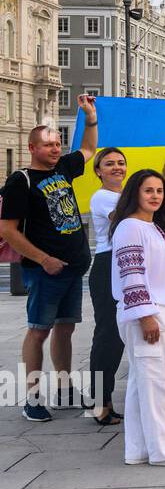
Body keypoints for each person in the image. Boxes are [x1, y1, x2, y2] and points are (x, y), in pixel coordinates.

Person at [0, 96, 98, 422]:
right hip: (45, 270)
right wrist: (43, 259)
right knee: (38, 331)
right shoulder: (20, 181)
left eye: (57, 144)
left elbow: (87, 151)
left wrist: (91, 118)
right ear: (32, 148)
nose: (55, 149)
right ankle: (32, 397)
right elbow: (9, 230)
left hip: (72, 267)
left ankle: (65, 387)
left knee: (65, 329)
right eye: (48, 145)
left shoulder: (64, 169)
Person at [109, 170, 165, 467]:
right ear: (135, 193)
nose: (156, 195)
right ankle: (164, 450)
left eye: (159, 190)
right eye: (148, 190)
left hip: (161, 308)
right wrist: (145, 316)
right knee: (157, 381)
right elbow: (131, 274)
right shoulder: (130, 227)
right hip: (146, 311)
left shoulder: (154, 226)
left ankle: (138, 448)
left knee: (141, 382)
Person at [86, 147, 127, 425]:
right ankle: (100, 401)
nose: (116, 167)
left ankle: (106, 399)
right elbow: (125, 221)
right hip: (107, 263)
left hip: (124, 263)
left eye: (121, 163)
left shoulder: (126, 196)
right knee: (107, 335)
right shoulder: (102, 197)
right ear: (98, 171)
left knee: (118, 336)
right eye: (109, 163)